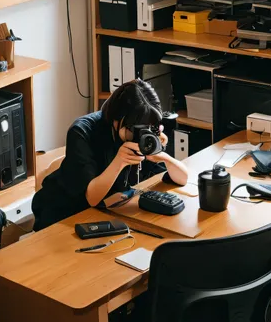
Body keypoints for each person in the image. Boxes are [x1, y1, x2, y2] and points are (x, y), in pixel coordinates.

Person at [32, 79, 188, 231]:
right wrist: (119, 161)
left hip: (107, 210)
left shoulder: (144, 131)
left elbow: (182, 178)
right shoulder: (82, 131)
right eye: (136, 129)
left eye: (150, 127)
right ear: (116, 120)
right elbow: (91, 198)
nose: (141, 134)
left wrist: (161, 154)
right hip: (64, 212)